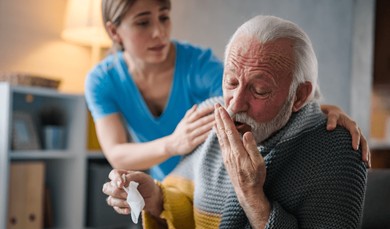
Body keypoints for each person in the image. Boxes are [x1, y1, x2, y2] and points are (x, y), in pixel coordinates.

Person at [103, 15, 368, 229]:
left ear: (298, 96)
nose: (236, 104)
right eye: (231, 82)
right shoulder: (214, 115)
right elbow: (188, 198)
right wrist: (156, 198)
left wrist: (252, 196)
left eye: (260, 90)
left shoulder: (339, 150)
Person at [85, 0, 370, 182]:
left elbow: (253, 100)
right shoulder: (101, 81)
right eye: (143, 22)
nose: (159, 32)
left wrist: (322, 109)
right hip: (163, 186)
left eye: (164, 17)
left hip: (212, 182)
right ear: (114, 32)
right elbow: (117, 153)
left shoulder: (197, 64)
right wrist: (174, 143)